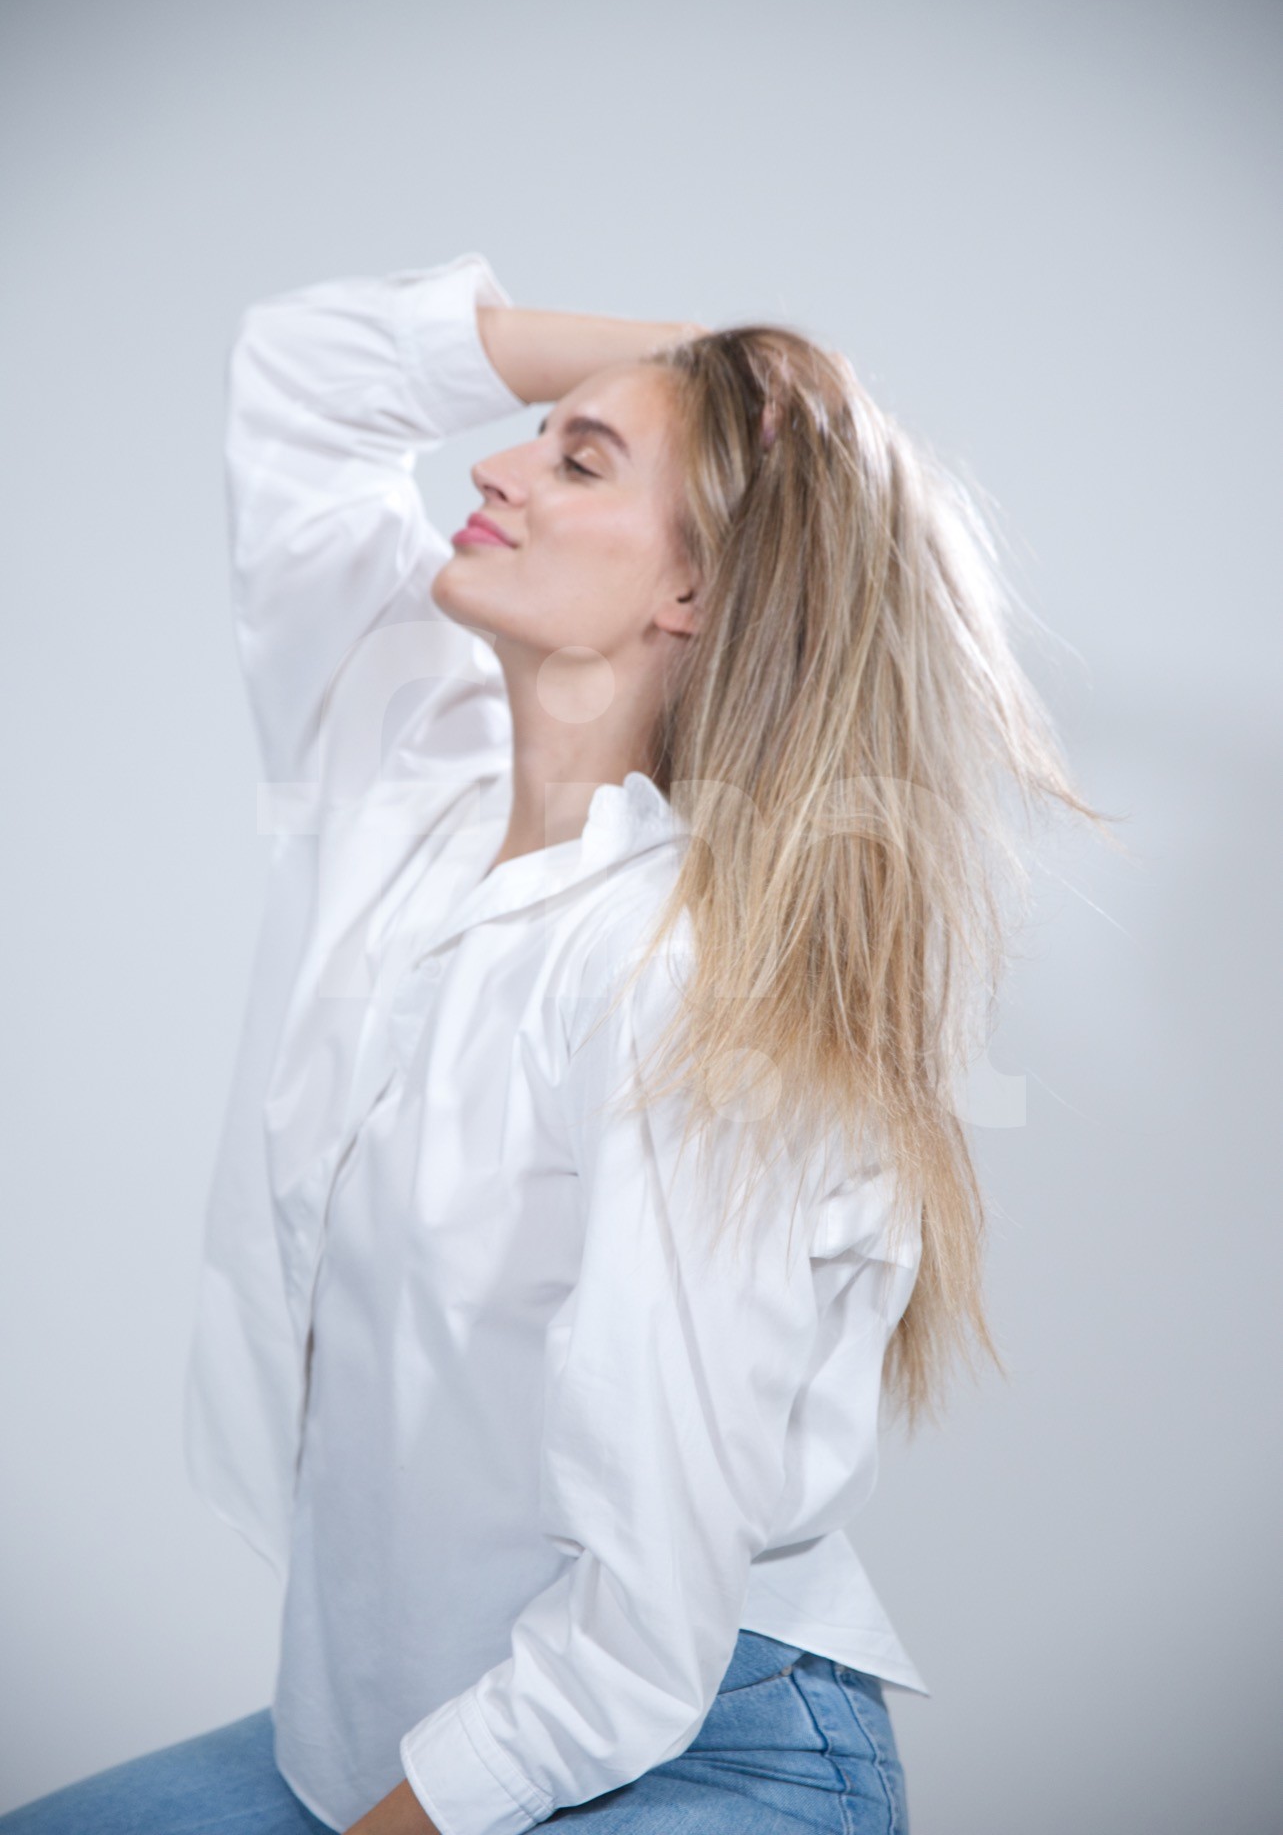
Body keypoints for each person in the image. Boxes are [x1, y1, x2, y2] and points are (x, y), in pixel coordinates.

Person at [2, 254, 1105, 1834]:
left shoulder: (688, 979)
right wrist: (713, 364)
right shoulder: (402, 777)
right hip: (385, 1737)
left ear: (693, 594)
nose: (494, 465)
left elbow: (638, 1640)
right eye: (538, 434)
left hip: (689, 1743)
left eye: (578, 460)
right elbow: (303, 376)